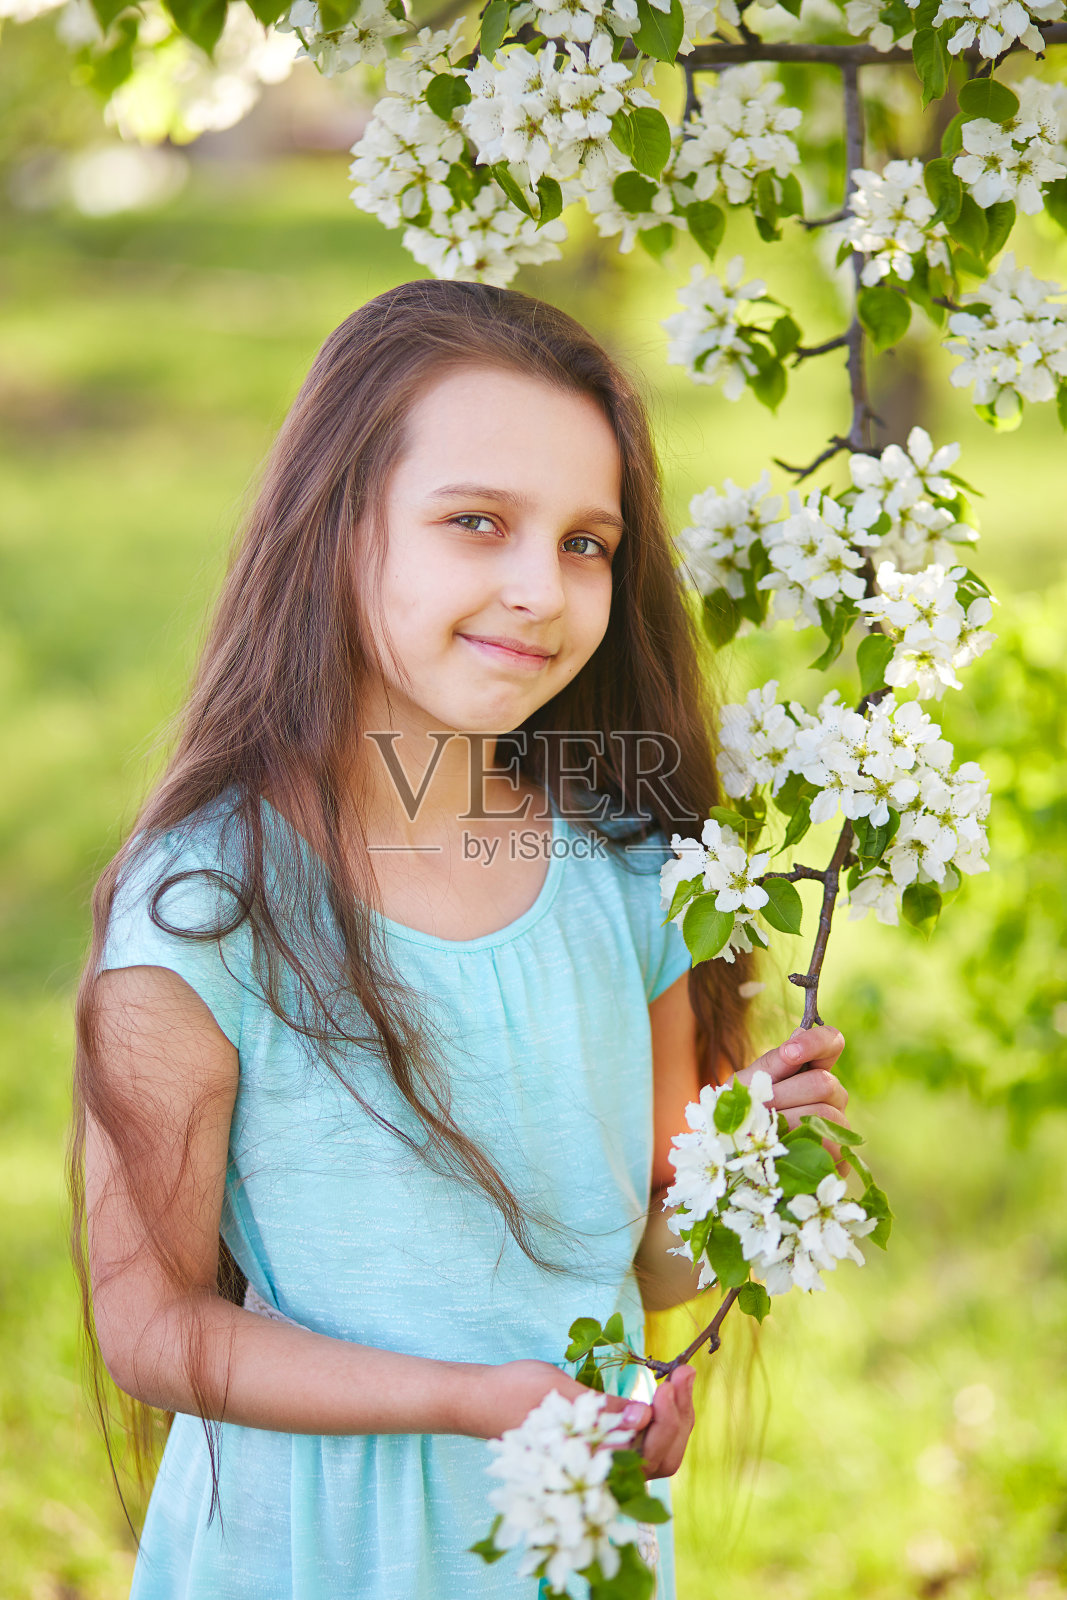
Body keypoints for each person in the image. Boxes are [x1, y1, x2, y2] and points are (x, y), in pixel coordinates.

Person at [72, 278, 850, 1600]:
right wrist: (465, 1396)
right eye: (476, 522)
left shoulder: (630, 879)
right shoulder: (211, 913)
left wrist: (745, 1189)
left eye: (586, 543)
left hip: (555, 1545)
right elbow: (149, 1326)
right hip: (315, 1554)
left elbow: (640, 1262)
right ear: (338, 530)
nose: (537, 590)